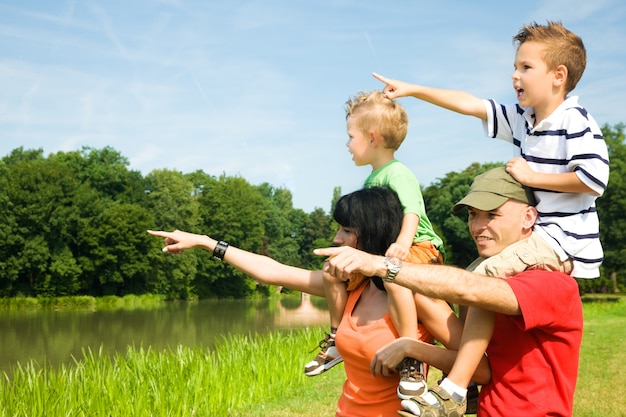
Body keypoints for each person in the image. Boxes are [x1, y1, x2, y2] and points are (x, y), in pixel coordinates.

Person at [372, 20, 609, 414]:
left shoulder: (575, 120)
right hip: (541, 232)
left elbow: (593, 178)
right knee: (471, 274)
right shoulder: (525, 119)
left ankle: (456, 386)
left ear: (558, 76)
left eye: (525, 67)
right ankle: (469, 370)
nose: (514, 76)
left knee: (477, 281)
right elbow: (471, 104)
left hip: (562, 238)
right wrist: (414, 90)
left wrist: (532, 177)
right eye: (514, 67)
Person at [148, 187, 474, 417]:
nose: (336, 238)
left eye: (346, 230)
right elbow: (272, 271)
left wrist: (412, 349)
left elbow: (478, 366)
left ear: (372, 234)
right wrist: (205, 242)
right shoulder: (352, 288)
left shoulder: (415, 295)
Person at [315, 167, 584, 417]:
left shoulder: (550, 283)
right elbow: (484, 364)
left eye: (492, 215)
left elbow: (469, 289)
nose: (478, 227)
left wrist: (380, 265)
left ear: (528, 217)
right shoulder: (488, 278)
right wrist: (413, 347)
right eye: (472, 215)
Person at [306, 90, 445, 403]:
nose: (346, 143)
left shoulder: (397, 173)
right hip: (384, 250)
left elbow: (411, 213)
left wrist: (400, 246)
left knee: (394, 278)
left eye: (350, 135)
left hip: (418, 246)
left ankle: (410, 357)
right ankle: (335, 337)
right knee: (331, 272)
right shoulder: (372, 180)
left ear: (372, 138)